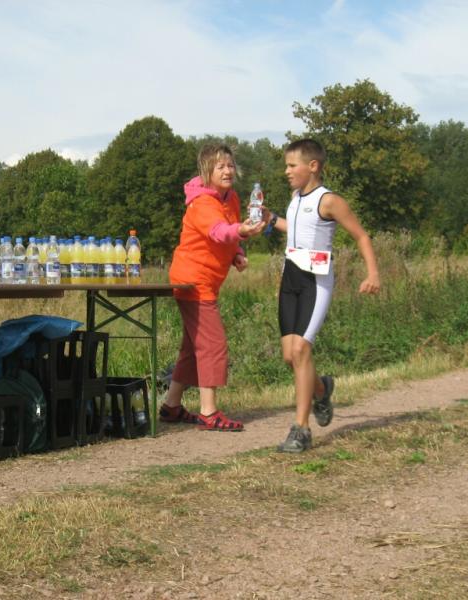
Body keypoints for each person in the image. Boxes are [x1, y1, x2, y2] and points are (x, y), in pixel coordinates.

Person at [268, 139, 381, 452]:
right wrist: (270, 220)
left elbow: (361, 236)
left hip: (315, 282)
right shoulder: (295, 197)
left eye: (292, 165)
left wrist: (373, 274)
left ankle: (301, 430)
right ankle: (321, 389)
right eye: (286, 165)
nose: (286, 171)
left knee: (302, 350)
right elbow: (296, 228)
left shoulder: (329, 201)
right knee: (290, 356)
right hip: (290, 278)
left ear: (313, 166)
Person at [161, 144, 265, 431]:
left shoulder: (231, 199)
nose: (227, 171)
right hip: (193, 281)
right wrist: (241, 231)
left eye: (230, 165)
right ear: (207, 171)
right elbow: (219, 232)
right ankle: (209, 412)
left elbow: (228, 235)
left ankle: (171, 406)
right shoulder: (202, 203)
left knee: (192, 347)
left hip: (205, 280)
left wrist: (237, 253)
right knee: (212, 345)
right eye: (220, 166)